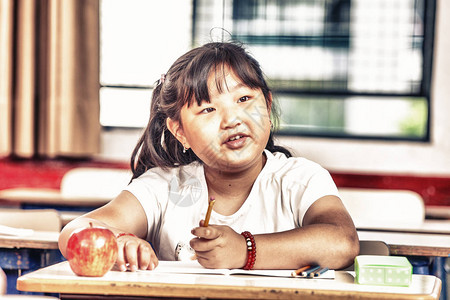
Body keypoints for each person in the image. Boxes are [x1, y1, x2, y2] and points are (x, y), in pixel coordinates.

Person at [59, 41, 359, 272]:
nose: (232, 120)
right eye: (207, 110)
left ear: (267, 106)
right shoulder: (164, 187)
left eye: (244, 99)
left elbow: (341, 242)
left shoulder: (300, 178)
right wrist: (119, 241)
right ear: (179, 131)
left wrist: (244, 250)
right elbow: (74, 231)